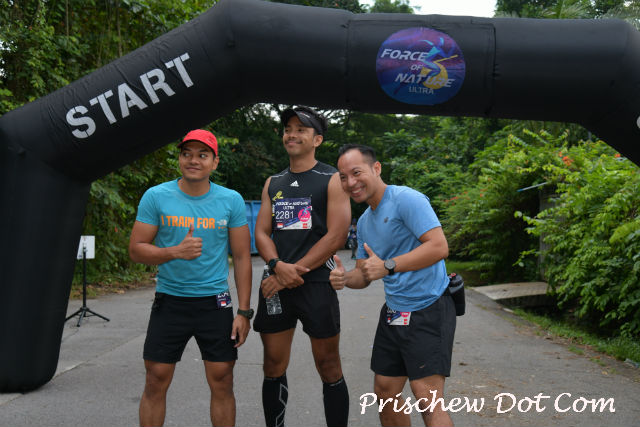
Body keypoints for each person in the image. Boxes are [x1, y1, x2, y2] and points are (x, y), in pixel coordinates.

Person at [129, 129, 253, 427]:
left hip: (215, 303)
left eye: (202, 155)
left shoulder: (231, 200)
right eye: (187, 154)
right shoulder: (156, 196)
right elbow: (136, 249)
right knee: (156, 378)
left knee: (222, 379)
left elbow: (242, 257)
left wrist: (244, 312)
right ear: (180, 159)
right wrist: (174, 252)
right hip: (170, 300)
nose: (193, 160)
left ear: (215, 162)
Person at [330, 144, 456, 427]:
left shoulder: (406, 200)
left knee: (427, 397)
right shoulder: (365, 222)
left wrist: (389, 265)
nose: (350, 182)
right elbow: (364, 274)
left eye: (356, 173)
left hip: (428, 306)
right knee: (385, 390)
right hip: (395, 311)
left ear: (376, 168)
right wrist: (345, 278)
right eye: (343, 177)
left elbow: (439, 247)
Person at [253, 106, 352, 427]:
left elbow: (336, 235)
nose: (291, 135)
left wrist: (290, 272)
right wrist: (276, 265)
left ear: (317, 139)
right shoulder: (273, 182)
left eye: (301, 129)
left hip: (316, 283)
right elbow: (261, 233)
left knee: (328, 365)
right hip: (276, 282)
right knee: (273, 364)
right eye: (288, 129)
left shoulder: (332, 179)